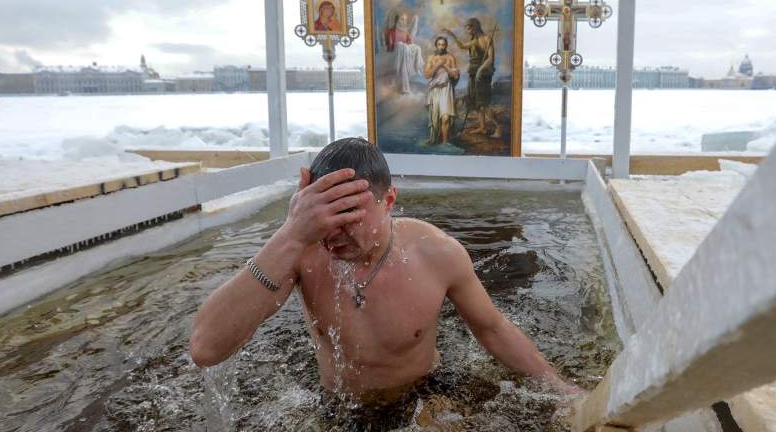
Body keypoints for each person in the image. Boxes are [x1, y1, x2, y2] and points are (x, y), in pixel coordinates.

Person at [189, 138, 582, 403]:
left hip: (422, 396)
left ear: (389, 200)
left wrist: (560, 389)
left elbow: (492, 328)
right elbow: (206, 349)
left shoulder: (436, 253)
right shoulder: (300, 252)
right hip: (337, 404)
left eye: (349, 215)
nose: (334, 233)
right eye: (325, 216)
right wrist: (291, 234)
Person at [443, 18, 500, 138]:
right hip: (473, 72)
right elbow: (462, 46)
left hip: (483, 74)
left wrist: (480, 70)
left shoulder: (487, 39)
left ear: (475, 27)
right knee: (475, 101)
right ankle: (482, 127)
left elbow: (490, 59)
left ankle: (498, 127)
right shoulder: (474, 40)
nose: (467, 31)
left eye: (468, 28)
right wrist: (452, 35)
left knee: (484, 103)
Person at [423, 36, 460, 145]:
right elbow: (427, 75)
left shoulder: (450, 58)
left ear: (446, 46)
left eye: (443, 45)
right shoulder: (431, 58)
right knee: (435, 120)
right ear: (436, 45)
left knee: (445, 117)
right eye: (439, 44)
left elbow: (455, 75)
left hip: (446, 89)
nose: (441, 47)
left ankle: (445, 142)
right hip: (435, 90)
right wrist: (437, 65)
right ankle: (437, 139)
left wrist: (444, 65)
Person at [385, 11, 424, 94]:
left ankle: (417, 66)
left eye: (405, 20)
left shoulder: (405, 32)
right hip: (397, 54)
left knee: (417, 47)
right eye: (402, 19)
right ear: (397, 20)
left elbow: (410, 42)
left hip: (405, 53)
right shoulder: (391, 31)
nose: (404, 21)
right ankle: (405, 88)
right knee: (402, 46)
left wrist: (409, 45)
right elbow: (390, 46)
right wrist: (400, 45)